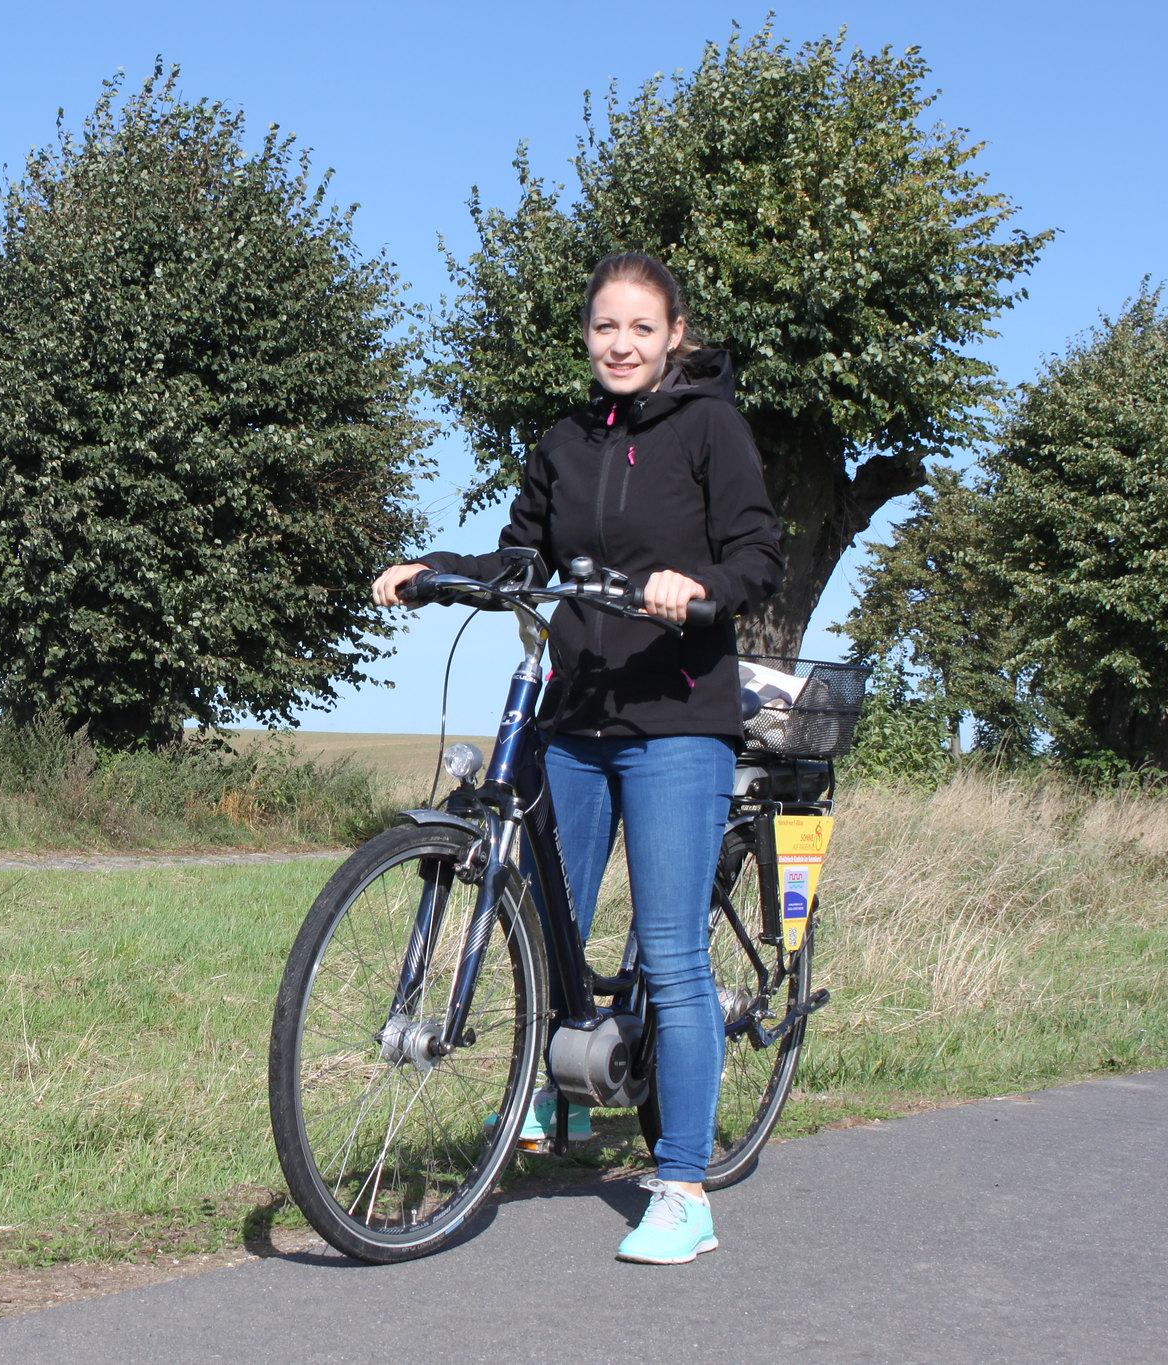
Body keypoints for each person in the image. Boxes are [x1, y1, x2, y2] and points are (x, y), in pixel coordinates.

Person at [372, 253, 781, 1265]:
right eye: (605, 327)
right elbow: (524, 555)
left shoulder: (708, 429)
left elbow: (756, 555)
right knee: (544, 924)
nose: (621, 344)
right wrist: (437, 572)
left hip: (675, 719)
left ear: (674, 335)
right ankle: (551, 1103)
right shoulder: (560, 440)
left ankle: (680, 1188)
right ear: (587, 335)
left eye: (641, 328)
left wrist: (697, 589)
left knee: (674, 955)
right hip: (578, 716)